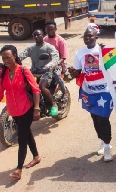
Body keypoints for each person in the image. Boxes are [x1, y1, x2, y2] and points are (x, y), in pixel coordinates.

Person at [68, 28, 114, 162]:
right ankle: (102, 140)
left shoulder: (102, 51)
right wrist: (72, 72)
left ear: (96, 37)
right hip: (89, 91)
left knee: (102, 118)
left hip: (104, 91)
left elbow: (113, 66)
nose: (87, 38)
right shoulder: (80, 53)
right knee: (95, 118)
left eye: (90, 36)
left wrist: (106, 51)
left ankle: (107, 147)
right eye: (85, 37)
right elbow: (77, 73)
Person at [0, 45, 41, 179]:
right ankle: (36, 156)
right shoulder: (3, 74)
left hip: (26, 109)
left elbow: (35, 90)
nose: (6, 61)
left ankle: (18, 169)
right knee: (27, 133)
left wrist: (36, 108)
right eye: (4, 58)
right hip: (13, 110)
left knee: (22, 138)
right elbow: (0, 93)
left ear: (15, 56)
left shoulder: (23, 70)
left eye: (9, 57)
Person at [19, 29, 59, 116]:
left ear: (43, 35)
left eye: (39, 35)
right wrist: (13, 61)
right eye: (35, 35)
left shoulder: (49, 47)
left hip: (47, 73)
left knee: (41, 87)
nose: (36, 36)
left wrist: (47, 66)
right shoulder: (31, 48)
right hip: (33, 72)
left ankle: (53, 104)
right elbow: (21, 55)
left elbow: (55, 57)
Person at [44, 20, 70, 100]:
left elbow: (64, 57)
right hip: (47, 64)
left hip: (58, 64)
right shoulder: (44, 40)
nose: (50, 31)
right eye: (48, 30)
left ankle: (64, 91)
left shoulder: (60, 41)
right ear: (46, 30)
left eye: (52, 29)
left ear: (56, 29)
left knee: (56, 75)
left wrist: (56, 63)